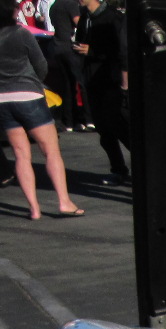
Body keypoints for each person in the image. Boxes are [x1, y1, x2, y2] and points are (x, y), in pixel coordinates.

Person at [0, 0, 81, 217]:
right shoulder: (21, 34)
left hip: (3, 98)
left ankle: (34, 208)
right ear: (13, 12)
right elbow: (41, 64)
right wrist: (36, 82)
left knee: (20, 154)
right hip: (29, 94)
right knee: (50, 150)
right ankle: (64, 201)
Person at [76, 0, 129, 181]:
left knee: (119, 126)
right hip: (91, 79)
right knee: (103, 130)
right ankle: (118, 169)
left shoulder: (113, 18)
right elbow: (81, 41)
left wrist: (92, 51)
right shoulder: (85, 17)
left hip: (110, 80)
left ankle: (144, 167)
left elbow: (121, 50)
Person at [48, 0, 90, 129]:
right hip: (70, 47)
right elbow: (79, 23)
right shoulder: (70, 4)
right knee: (81, 83)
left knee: (67, 85)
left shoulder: (54, 6)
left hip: (57, 47)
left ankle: (69, 121)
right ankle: (88, 120)